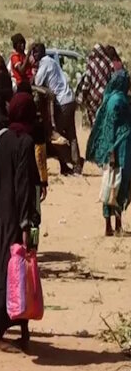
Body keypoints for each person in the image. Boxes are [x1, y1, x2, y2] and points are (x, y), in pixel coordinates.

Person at [0, 113, 40, 352]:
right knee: (15, 271)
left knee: (8, 270)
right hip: (15, 216)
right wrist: (27, 223)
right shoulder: (24, 142)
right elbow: (24, 184)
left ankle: (22, 331)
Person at [86, 70, 131, 236]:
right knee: (118, 183)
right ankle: (114, 224)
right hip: (119, 149)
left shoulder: (111, 98)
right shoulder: (118, 101)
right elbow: (112, 127)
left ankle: (112, 224)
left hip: (117, 148)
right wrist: (112, 150)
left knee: (112, 183)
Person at [33, 43, 82, 175]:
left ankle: (69, 160)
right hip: (70, 99)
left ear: (41, 53)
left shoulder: (44, 64)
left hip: (61, 102)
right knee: (71, 134)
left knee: (55, 136)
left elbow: (37, 82)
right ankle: (76, 164)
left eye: (35, 53)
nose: (34, 55)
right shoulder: (52, 62)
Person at [9, 84, 49, 202]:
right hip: (32, 179)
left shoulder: (8, 128)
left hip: (11, 182)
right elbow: (40, 156)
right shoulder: (36, 127)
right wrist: (43, 181)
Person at [77, 44, 124, 128]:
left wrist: (82, 97)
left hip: (93, 97)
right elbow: (113, 78)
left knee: (94, 119)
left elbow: (87, 83)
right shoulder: (108, 62)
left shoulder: (91, 64)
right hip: (106, 95)